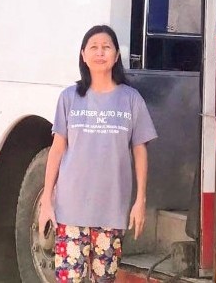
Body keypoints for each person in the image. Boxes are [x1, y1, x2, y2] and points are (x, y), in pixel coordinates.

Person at [38, 25, 157, 283]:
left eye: (107, 47)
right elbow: (57, 150)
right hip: (70, 210)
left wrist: (140, 200)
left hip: (111, 210)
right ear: (83, 55)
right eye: (93, 47)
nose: (100, 52)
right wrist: (46, 199)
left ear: (116, 56)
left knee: (104, 280)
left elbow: (140, 150)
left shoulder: (131, 99)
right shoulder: (69, 97)